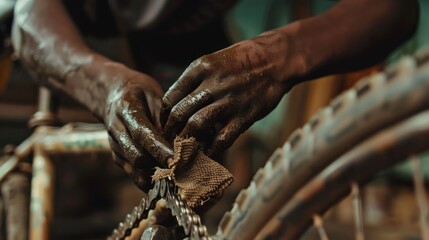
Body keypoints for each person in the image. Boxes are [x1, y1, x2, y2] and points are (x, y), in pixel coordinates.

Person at [11, 0, 419, 194]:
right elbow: (29, 16)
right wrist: (104, 86)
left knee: (191, 168)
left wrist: (276, 55)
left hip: (183, 27)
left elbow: (393, 9)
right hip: (53, 19)